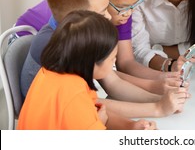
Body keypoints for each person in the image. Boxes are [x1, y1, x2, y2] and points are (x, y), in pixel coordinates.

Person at [19, 0, 187, 127]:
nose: (108, 16)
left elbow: (111, 83)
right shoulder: (58, 50)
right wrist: (157, 108)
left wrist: (159, 100)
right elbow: (92, 105)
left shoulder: (79, 39)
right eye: (101, 12)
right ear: (79, 18)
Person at [16, 0, 183, 95]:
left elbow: (124, 63)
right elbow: (100, 79)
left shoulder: (119, 10)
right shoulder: (72, 23)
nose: (129, 13)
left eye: (133, 5)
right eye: (122, 7)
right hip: (27, 36)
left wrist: (163, 78)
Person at [18, 10, 156, 130]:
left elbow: (97, 110)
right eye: (112, 58)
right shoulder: (73, 94)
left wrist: (131, 126)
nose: (114, 62)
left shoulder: (53, 72)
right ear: (91, 62)